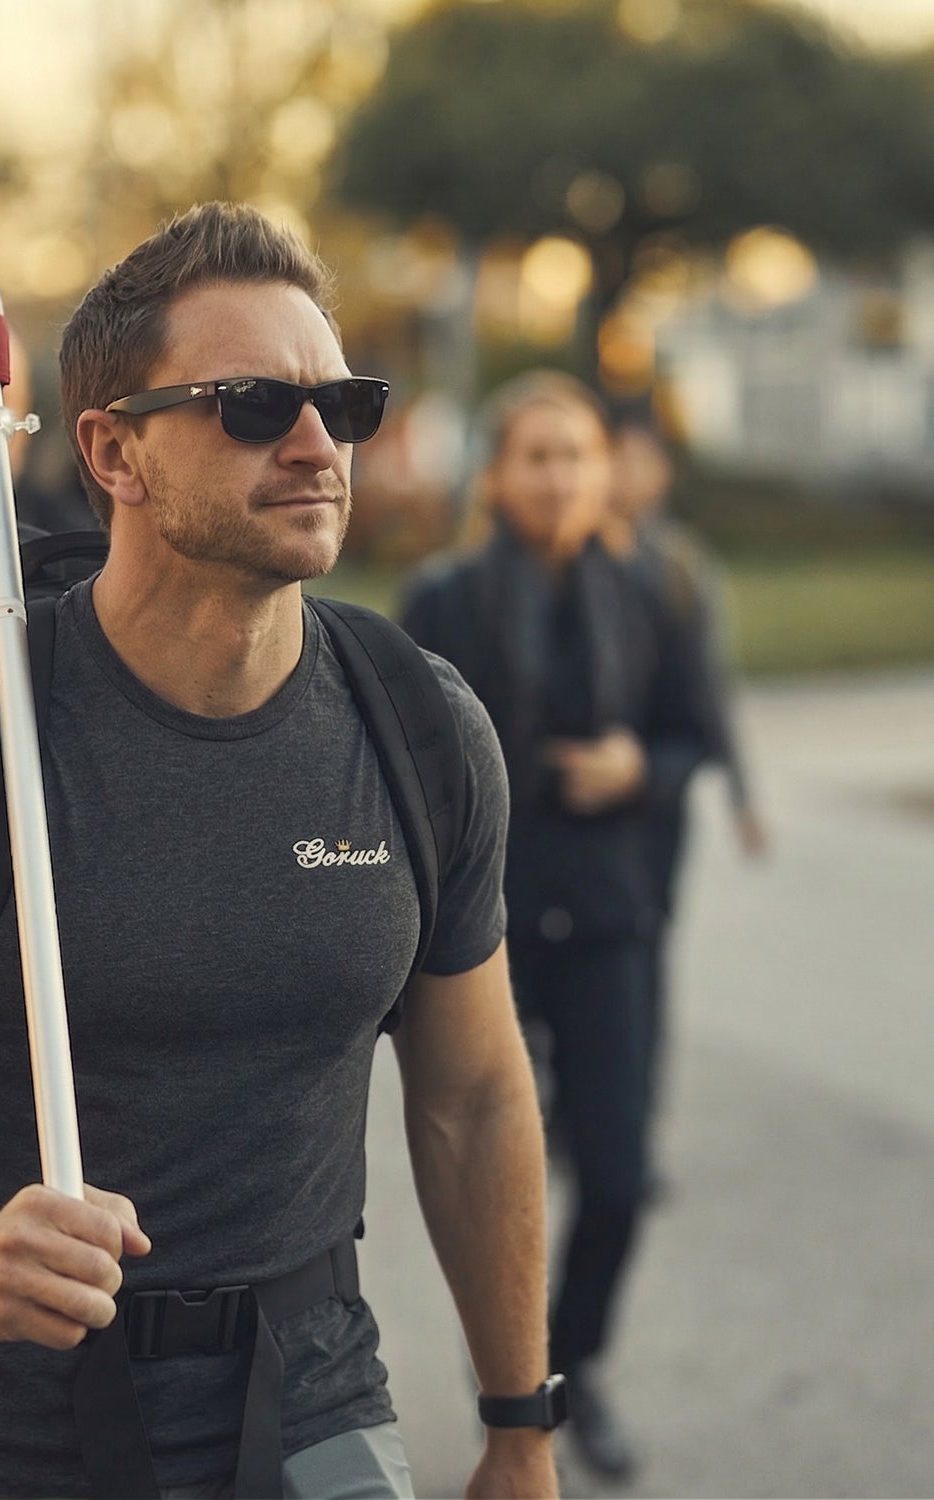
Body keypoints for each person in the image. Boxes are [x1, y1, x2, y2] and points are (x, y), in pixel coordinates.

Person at [0, 202, 561, 1500]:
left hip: (311, 1415)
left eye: (345, 400)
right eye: (256, 406)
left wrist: (519, 1423)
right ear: (113, 451)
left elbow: (475, 1097)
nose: (320, 442)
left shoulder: (420, 726)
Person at [400, 371, 713, 1482]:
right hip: (482, 923)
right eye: (535, 455)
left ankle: (571, 1367)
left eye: (574, 454)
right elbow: (407, 758)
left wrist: (643, 765)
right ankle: (513, 1394)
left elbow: (696, 734)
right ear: (496, 476)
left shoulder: (658, 589)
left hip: (613, 916)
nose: (557, 475)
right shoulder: (441, 600)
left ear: (602, 471)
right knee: (484, 1152)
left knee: (619, 1176)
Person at [607, 406, 766, 1151]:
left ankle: (633, 1112)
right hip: (588, 804)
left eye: (638, 460)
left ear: (662, 471)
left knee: (647, 950)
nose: (623, 475)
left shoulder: (678, 568)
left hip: (657, 798)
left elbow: (710, 695)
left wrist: (743, 797)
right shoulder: (584, 556)